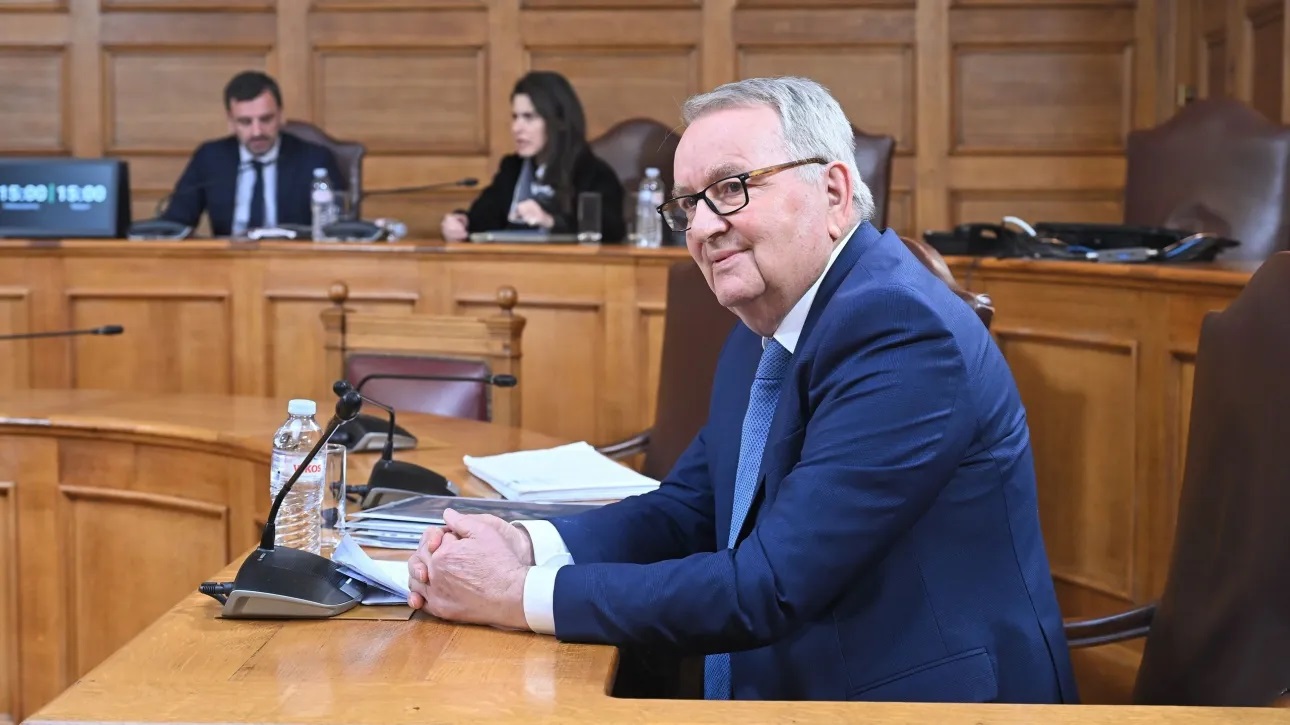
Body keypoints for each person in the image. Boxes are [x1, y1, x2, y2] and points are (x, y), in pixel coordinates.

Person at [407, 76, 1078, 704]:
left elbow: (770, 585)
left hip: (920, 703)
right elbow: (689, 510)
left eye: (731, 188)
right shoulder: (762, 326)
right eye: (687, 205)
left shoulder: (901, 333)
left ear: (835, 193)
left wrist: (519, 593)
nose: (701, 228)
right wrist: (527, 544)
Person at [441, 71, 626, 242]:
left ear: (559, 122)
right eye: (515, 117)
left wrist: (550, 221)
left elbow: (610, 232)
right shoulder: (512, 168)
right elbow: (483, 217)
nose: (516, 128)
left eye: (529, 117)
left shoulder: (593, 173)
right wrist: (461, 222)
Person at [161, 71, 346, 237]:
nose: (257, 132)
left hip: (294, 260)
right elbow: (175, 222)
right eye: (245, 122)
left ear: (281, 116)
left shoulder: (315, 160)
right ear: (231, 122)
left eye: (266, 119)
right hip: (229, 260)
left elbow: (337, 228)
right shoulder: (210, 159)